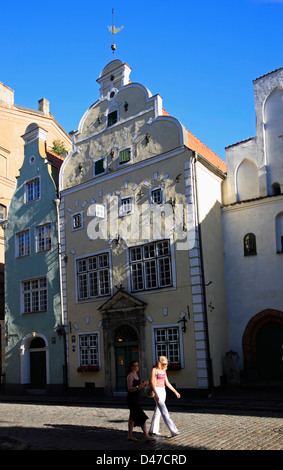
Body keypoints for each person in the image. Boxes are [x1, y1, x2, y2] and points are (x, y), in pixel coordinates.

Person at [149, 356, 180, 437]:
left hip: (163, 391)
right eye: (163, 364)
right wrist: (155, 394)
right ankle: (173, 430)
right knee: (164, 411)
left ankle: (153, 430)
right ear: (160, 363)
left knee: (158, 411)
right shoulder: (154, 370)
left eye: (166, 364)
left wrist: (175, 392)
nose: (165, 365)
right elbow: (152, 383)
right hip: (157, 390)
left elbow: (167, 383)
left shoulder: (163, 371)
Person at [126, 360, 155, 442]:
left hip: (137, 398)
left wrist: (144, 384)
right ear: (132, 367)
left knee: (132, 417)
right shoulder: (130, 376)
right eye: (136, 365)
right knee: (142, 416)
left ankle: (130, 435)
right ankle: (146, 435)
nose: (137, 367)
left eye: (138, 365)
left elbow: (137, 386)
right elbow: (130, 389)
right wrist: (140, 386)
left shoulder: (136, 375)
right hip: (132, 399)